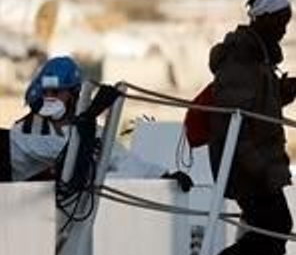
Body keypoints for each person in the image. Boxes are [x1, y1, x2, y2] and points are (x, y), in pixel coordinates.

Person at [202, 0, 296, 255]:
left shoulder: (257, 58)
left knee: (273, 230)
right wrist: (261, 168)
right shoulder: (242, 59)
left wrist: (282, 93)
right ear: (265, 18)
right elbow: (236, 122)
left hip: (255, 162)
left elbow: (256, 107)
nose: (284, 29)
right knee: (276, 227)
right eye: (282, 21)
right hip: (247, 164)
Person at [4, 55, 188, 187]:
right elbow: (60, 151)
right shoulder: (25, 129)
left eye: (57, 92)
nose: (50, 97)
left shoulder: (95, 133)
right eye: (46, 92)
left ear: (73, 94)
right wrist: (88, 120)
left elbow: (123, 161)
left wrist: (164, 175)